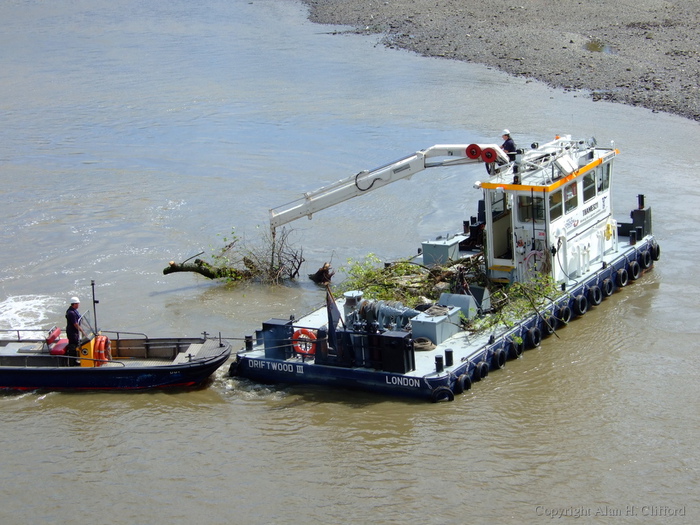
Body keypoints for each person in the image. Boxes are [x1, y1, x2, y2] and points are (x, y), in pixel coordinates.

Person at [65, 296, 86, 365]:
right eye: (77, 303)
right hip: (72, 332)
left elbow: (80, 319)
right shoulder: (71, 313)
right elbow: (76, 324)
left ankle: (75, 360)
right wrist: (82, 331)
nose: (78, 305)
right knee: (73, 346)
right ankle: (72, 363)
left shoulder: (74, 311)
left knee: (76, 344)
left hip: (75, 332)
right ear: (74, 304)